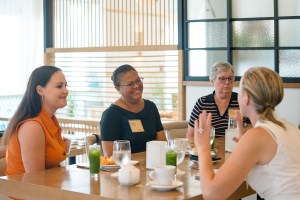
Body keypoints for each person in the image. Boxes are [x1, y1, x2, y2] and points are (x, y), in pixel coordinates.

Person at [194, 67, 300, 200]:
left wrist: (203, 147)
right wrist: (245, 143)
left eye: (240, 91)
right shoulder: (288, 127)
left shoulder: (258, 135)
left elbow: (211, 194)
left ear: (247, 98)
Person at [1, 66, 69, 175]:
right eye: (59, 86)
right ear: (40, 90)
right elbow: (36, 181)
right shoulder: (32, 127)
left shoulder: (50, 119)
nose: (66, 90)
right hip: (24, 191)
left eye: (66, 85)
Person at [100, 64, 166, 156]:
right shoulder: (111, 115)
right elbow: (110, 157)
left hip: (154, 165)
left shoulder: (151, 107)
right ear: (118, 88)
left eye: (138, 80)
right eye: (130, 84)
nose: (136, 86)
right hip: (125, 168)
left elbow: (162, 143)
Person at [186, 61, 250, 143]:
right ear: (212, 81)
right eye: (222, 79)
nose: (227, 82)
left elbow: (253, 127)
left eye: (230, 79)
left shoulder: (241, 100)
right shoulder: (202, 103)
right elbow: (190, 136)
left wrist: (242, 129)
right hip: (209, 150)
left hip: (235, 147)